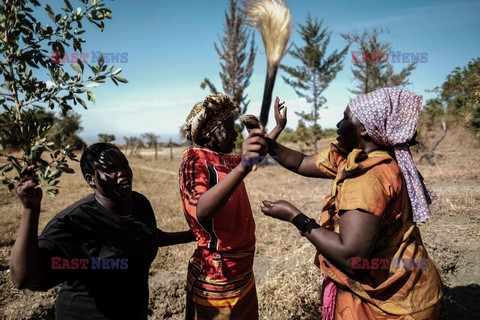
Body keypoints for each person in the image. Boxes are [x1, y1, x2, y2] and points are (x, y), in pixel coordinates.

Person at [261, 87, 443, 319]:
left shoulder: (367, 177)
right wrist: (267, 142)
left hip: (388, 306)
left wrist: (295, 217)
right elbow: (300, 162)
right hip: (409, 286)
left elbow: (351, 256)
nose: (338, 125)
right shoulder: (363, 157)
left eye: (346, 118)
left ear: (367, 129)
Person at [10, 142, 195, 320]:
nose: (123, 173)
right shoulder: (76, 222)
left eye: (124, 165)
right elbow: (24, 278)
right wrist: (30, 211)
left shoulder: (139, 203)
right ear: (91, 180)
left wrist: (190, 235)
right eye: (111, 169)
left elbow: (147, 236)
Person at [179, 93, 284, 320]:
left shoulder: (222, 159)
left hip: (241, 270)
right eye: (229, 127)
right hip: (218, 275)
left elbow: (256, 157)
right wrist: (243, 167)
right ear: (213, 132)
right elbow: (201, 212)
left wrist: (277, 127)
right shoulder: (194, 162)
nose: (236, 133)